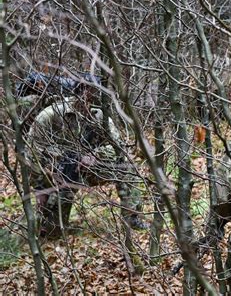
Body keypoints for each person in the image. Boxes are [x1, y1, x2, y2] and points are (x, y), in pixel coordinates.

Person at [27, 81, 147, 238]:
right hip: (56, 175)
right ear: (79, 92)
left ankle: (133, 216)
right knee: (52, 234)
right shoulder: (49, 116)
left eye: (98, 93)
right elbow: (31, 156)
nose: (94, 97)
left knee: (125, 166)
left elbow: (119, 148)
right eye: (91, 92)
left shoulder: (99, 115)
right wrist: (41, 187)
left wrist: (95, 156)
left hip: (87, 169)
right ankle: (47, 221)